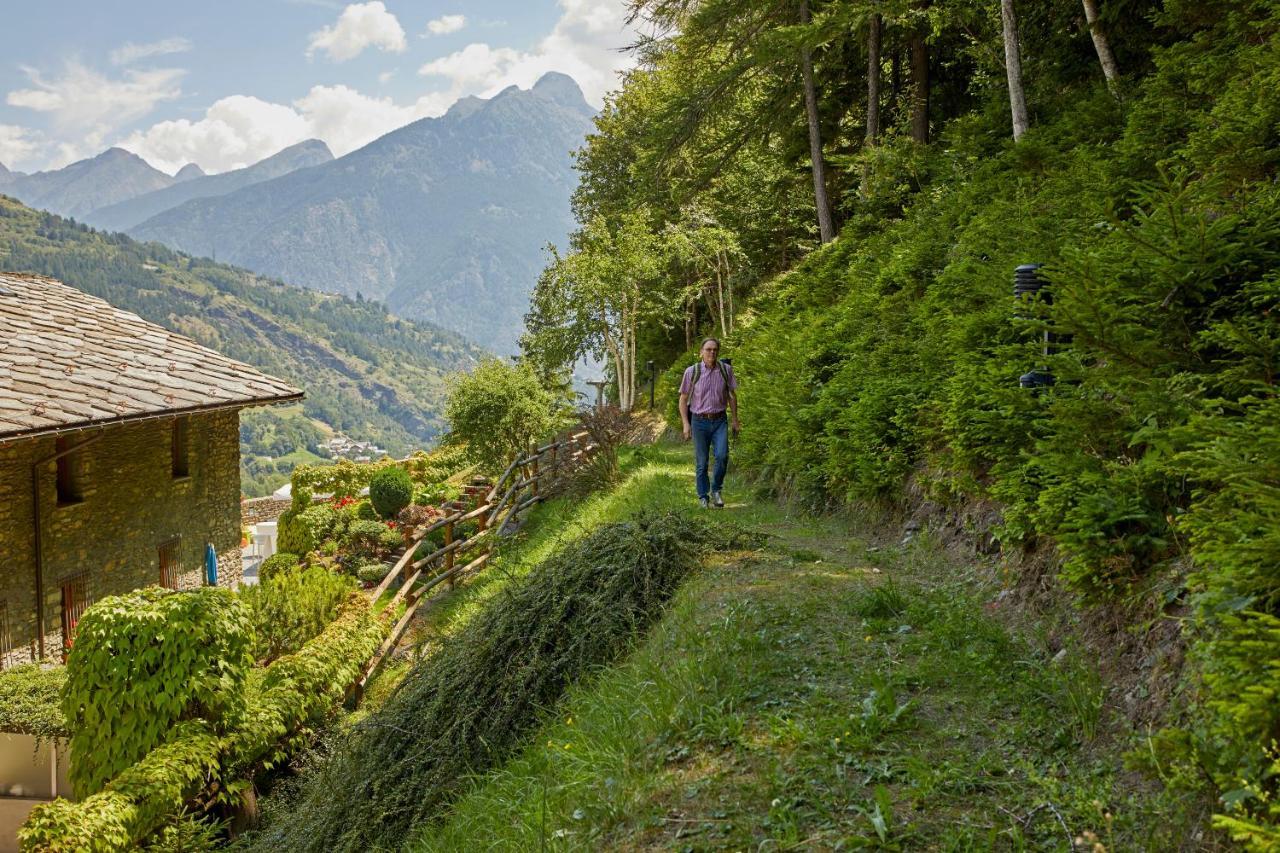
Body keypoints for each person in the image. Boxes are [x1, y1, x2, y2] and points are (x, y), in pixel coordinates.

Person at [678, 338, 740, 508]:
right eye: (708, 349)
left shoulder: (726, 370)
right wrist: (686, 423)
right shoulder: (692, 372)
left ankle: (716, 490)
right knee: (702, 462)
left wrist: (735, 419)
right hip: (699, 421)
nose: (712, 352)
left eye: (715, 349)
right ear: (701, 351)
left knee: (722, 456)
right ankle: (703, 496)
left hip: (720, 420)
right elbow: (683, 399)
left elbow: (732, 396)